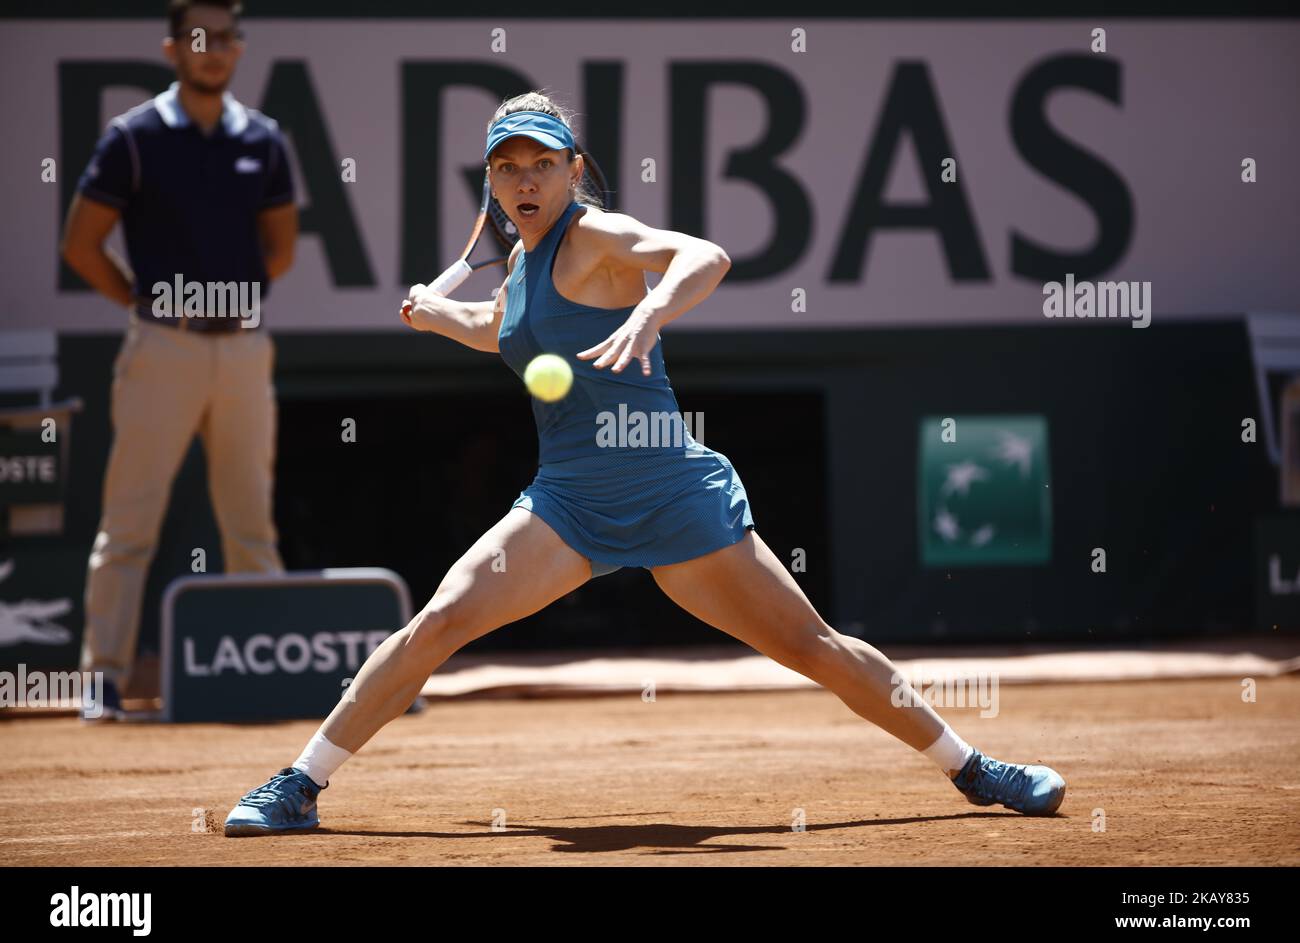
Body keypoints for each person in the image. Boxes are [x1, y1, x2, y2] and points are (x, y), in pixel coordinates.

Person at [223, 92, 1064, 836]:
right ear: (492, 180)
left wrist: (654, 309)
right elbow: (506, 335)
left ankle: (973, 767)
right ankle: (300, 784)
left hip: (672, 493)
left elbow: (706, 256)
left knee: (815, 648)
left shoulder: (598, 237)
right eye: (507, 167)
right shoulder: (517, 265)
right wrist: (443, 316)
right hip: (567, 505)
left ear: (572, 170)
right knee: (438, 623)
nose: (525, 181)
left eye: (542, 165)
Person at [60, 0, 297, 722]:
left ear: (238, 48)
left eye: (226, 37)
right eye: (200, 38)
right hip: (161, 346)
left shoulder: (265, 138)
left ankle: (266, 673)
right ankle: (102, 679)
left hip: (244, 349)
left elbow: (279, 250)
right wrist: (147, 302)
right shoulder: (131, 139)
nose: (214, 49)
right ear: (173, 49)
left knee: (250, 523)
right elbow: (81, 244)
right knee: (130, 522)